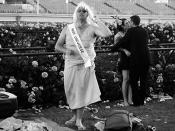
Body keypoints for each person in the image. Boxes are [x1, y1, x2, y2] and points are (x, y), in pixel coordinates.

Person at [55, 1, 112, 130]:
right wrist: (67, 51)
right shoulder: (68, 28)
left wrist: (97, 19)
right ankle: (74, 117)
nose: (81, 13)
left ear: (88, 14)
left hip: (85, 64)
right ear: (76, 13)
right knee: (70, 90)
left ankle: (79, 120)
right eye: (79, 10)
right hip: (70, 63)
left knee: (80, 91)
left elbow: (107, 33)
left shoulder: (93, 27)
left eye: (84, 11)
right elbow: (57, 46)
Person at [111, 15, 151, 106]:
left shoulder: (131, 31)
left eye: (130, 21)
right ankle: (141, 101)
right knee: (143, 81)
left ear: (133, 22)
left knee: (133, 81)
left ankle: (136, 102)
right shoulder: (144, 31)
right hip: (145, 59)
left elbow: (122, 41)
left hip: (136, 60)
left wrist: (113, 48)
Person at [113, 18, 133, 106]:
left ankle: (130, 99)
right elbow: (115, 47)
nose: (129, 24)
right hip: (123, 58)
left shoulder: (129, 33)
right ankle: (125, 100)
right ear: (122, 25)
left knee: (131, 79)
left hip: (131, 58)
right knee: (125, 79)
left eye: (129, 22)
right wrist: (124, 50)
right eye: (127, 23)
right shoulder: (118, 35)